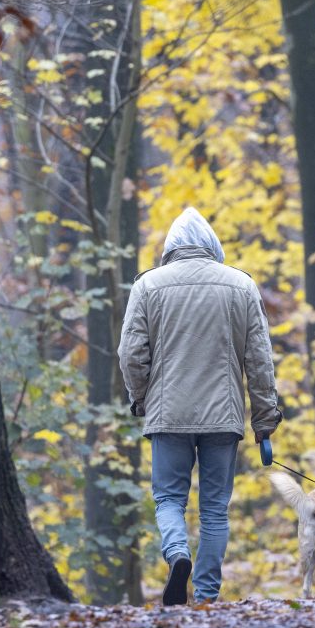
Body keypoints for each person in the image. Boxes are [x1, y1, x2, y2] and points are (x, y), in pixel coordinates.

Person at [118, 207, 282, 606]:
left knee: (169, 499)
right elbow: (259, 359)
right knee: (214, 510)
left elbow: (130, 354)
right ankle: (207, 597)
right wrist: (264, 417)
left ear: (170, 250)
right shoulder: (241, 286)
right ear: (213, 247)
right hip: (222, 418)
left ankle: (177, 554)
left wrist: (141, 397)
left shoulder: (148, 286)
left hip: (168, 414)